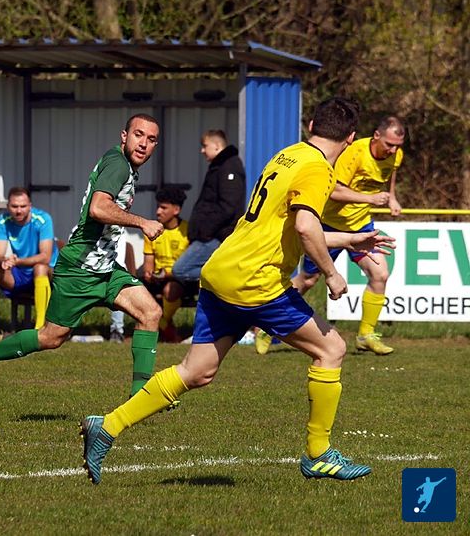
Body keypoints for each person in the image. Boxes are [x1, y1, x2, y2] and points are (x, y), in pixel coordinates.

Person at [80, 97, 394, 485]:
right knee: (332, 349)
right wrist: (331, 274)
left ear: (311, 125)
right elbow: (305, 228)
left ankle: (107, 426)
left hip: (223, 271)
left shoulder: (288, 156)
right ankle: (318, 454)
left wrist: (348, 239)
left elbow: (283, 227)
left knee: (196, 372)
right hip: (255, 282)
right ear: (350, 138)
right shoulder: (318, 169)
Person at [0, 114, 167, 401]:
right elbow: (98, 208)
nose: (143, 143)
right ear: (124, 136)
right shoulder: (118, 165)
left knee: (151, 313)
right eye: (138, 135)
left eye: (151, 139)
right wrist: (142, 222)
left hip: (104, 268)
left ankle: (139, 398)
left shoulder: (123, 164)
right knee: (50, 337)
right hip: (80, 269)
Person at [263, 116, 406, 356]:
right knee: (308, 280)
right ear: (376, 136)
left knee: (380, 274)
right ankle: (266, 327)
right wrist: (370, 199)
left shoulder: (395, 156)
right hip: (329, 225)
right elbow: (334, 191)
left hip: (360, 225)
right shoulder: (354, 153)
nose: (393, 150)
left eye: (398, 146)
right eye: (389, 144)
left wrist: (391, 197)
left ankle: (365, 335)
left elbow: (390, 174)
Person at [0, 187, 56, 342]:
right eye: (14, 206)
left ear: (30, 206)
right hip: (20, 272)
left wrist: (18, 261)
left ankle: (40, 329)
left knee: (40, 268)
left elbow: (45, 257)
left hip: (44, 275)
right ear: (8, 206)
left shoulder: (43, 219)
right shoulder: (4, 220)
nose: (18, 211)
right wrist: (4, 261)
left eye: (23, 206)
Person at [170, 129, 245, 284]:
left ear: (217, 146)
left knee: (181, 270)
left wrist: (206, 231)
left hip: (216, 236)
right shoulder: (218, 166)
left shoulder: (229, 167)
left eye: (205, 146)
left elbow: (228, 206)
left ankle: (229, 278)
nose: (202, 150)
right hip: (210, 235)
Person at [140, 187, 189, 343]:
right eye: (158, 207)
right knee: (133, 291)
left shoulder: (188, 231)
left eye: (163, 208)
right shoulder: (152, 231)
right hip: (157, 279)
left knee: (170, 290)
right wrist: (149, 274)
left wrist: (167, 274)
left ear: (176, 210)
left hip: (181, 280)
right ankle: (164, 328)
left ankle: (163, 325)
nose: (158, 212)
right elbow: (148, 264)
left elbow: (190, 267)